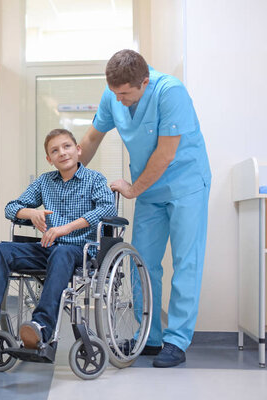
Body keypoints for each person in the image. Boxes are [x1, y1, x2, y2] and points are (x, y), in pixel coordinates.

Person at [80, 49, 211, 368]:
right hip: (150, 189)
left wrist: (133, 188)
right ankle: (150, 336)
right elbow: (93, 137)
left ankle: (177, 341)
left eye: (125, 94)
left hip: (186, 184)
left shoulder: (170, 92)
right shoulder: (114, 95)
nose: (119, 100)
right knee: (142, 262)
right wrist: (72, 177)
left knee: (186, 261)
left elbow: (166, 154)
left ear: (144, 82)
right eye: (115, 93)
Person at [0, 128, 115, 352]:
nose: (62, 153)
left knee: (62, 252)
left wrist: (65, 229)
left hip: (79, 252)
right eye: (55, 150)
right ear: (49, 159)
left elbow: (107, 209)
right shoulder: (44, 182)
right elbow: (11, 208)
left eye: (66, 146)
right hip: (48, 249)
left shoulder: (95, 179)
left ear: (78, 149)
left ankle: (41, 327)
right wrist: (31, 213)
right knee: (0, 250)